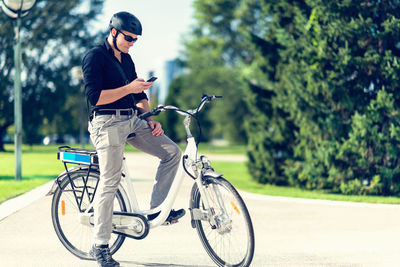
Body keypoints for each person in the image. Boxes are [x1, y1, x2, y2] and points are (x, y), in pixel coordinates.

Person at [82, 11, 184, 267]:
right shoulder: (94, 57)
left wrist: (148, 116)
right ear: (113, 32)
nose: (131, 42)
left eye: (135, 39)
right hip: (106, 123)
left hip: (132, 120)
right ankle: (100, 246)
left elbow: (138, 97)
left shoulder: (127, 60)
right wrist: (129, 88)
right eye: (128, 37)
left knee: (172, 153)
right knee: (110, 180)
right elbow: (95, 98)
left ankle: (158, 209)